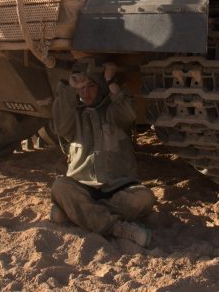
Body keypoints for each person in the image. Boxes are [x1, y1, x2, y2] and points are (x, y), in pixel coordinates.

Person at [49, 64, 156, 248]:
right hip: (83, 185)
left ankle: (76, 214)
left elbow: (129, 112)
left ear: (101, 88)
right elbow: (59, 124)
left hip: (117, 186)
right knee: (60, 186)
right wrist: (69, 85)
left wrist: (111, 80)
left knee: (144, 197)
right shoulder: (74, 117)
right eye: (81, 88)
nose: (86, 92)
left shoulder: (113, 112)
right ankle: (119, 229)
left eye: (91, 86)